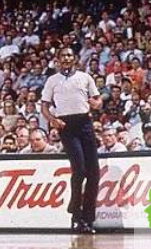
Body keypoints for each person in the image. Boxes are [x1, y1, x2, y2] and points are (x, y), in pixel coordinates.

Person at [41, 48, 102, 235]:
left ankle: (88, 219)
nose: (66, 58)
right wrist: (52, 120)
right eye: (63, 56)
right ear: (58, 60)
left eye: (69, 55)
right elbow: (44, 106)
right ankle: (76, 214)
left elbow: (98, 100)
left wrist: (97, 104)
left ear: (74, 58)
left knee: (94, 172)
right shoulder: (52, 80)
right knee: (79, 169)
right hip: (66, 126)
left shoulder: (85, 77)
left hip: (85, 123)